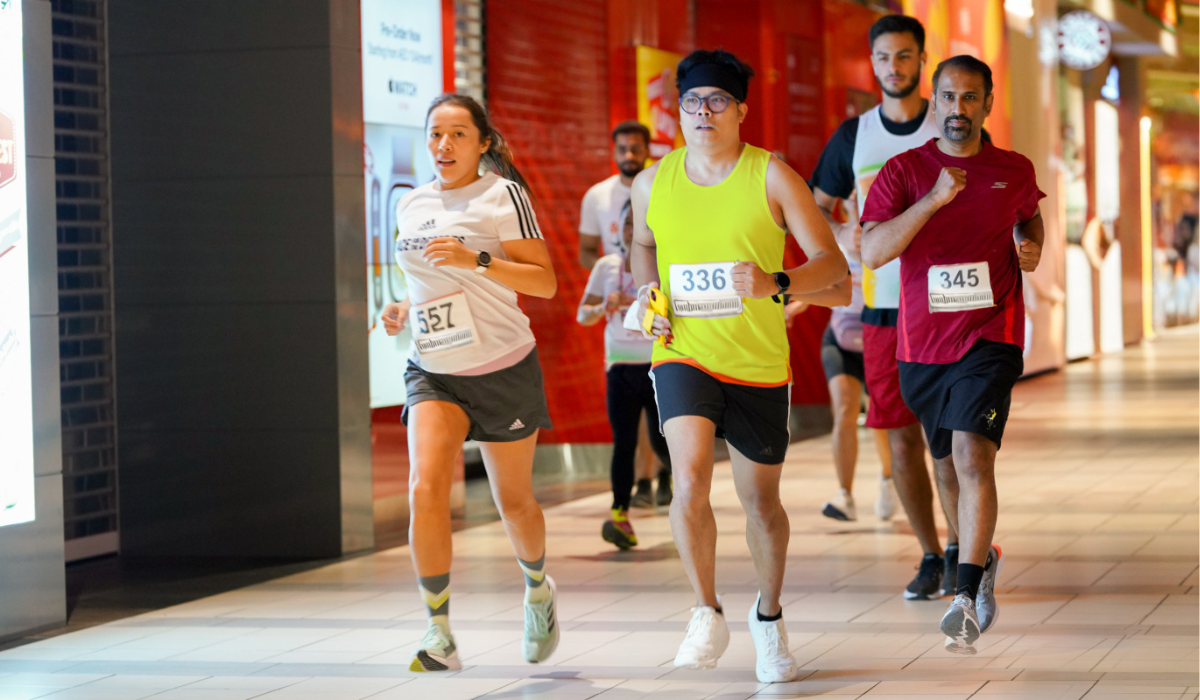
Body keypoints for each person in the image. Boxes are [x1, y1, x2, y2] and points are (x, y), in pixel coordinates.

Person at [627, 49, 850, 682]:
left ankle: (770, 619)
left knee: (761, 503)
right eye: (693, 102)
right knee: (690, 478)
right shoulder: (652, 183)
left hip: (756, 361)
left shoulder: (772, 177)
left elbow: (834, 271)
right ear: (679, 110)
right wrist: (648, 295)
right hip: (683, 353)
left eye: (717, 101)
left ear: (741, 110)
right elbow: (643, 244)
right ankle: (705, 610)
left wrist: (774, 281)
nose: (703, 112)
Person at [860, 55, 1045, 655]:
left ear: (988, 103)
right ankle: (979, 555)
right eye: (948, 98)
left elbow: (1028, 215)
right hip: (922, 347)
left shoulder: (1011, 170)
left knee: (971, 454)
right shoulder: (903, 172)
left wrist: (1029, 242)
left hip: (991, 336)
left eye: (970, 98)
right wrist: (934, 201)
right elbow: (873, 252)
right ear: (933, 103)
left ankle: (965, 596)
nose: (958, 110)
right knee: (945, 466)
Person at [381, 94, 561, 671]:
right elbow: (425, 276)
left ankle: (538, 590)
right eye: (436, 134)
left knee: (514, 503)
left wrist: (476, 261)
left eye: (458, 134)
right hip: (434, 367)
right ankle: (439, 632)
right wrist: (404, 309)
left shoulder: (502, 194)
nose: (444, 145)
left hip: (502, 365)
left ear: (483, 142)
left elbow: (545, 283)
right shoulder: (410, 204)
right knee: (424, 489)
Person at [809, 14, 958, 600]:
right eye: (882, 58)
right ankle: (930, 555)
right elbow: (817, 204)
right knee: (898, 439)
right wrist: (842, 234)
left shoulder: (951, 124)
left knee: (947, 442)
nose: (892, 68)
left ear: (922, 59)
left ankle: (962, 549)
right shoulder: (854, 135)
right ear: (871, 64)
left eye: (903, 56)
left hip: (946, 308)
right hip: (881, 310)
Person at [580, 121, 672, 508]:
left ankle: (669, 480)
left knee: (661, 429)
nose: (629, 155)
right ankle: (636, 491)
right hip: (621, 332)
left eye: (636, 148)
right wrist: (610, 282)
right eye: (623, 149)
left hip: (658, 332)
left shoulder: (662, 183)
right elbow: (587, 250)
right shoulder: (598, 196)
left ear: (647, 149)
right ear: (614, 150)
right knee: (627, 430)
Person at [578, 201, 673, 550]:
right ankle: (619, 514)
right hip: (619, 366)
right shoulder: (607, 267)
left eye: (641, 222)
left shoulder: (664, 263)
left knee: (663, 441)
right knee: (624, 443)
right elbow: (582, 314)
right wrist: (604, 305)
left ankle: (684, 495)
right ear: (620, 229)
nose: (634, 228)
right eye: (628, 223)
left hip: (659, 365)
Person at [811, 202, 898, 523]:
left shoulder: (889, 235)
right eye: (849, 196)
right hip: (840, 336)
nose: (856, 200)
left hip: (881, 336)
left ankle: (889, 480)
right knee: (845, 410)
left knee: (879, 415)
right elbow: (818, 278)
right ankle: (844, 495)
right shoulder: (830, 236)